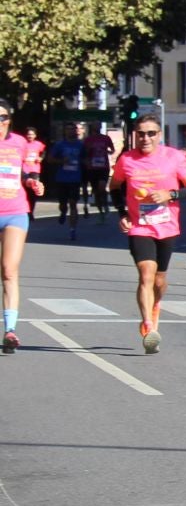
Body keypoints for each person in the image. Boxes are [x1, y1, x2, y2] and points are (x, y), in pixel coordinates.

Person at [109, 113, 186, 354]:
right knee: (145, 274)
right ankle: (149, 327)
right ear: (134, 136)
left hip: (167, 225)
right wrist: (123, 214)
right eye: (141, 134)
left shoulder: (174, 157)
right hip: (140, 226)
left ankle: (156, 305)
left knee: (159, 280)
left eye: (151, 133)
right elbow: (114, 187)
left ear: (159, 135)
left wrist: (170, 195)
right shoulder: (127, 160)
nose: (145, 138)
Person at [0, 100, 47, 354]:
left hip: (15, 213)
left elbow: (27, 173)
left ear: (9, 120)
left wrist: (33, 184)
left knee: (9, 270)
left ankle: (10, 330)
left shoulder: (19, 143)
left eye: (3, 118)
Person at [44, 123, 86, 240]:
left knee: (73, 203)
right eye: (68, 129)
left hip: (75, 178)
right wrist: (62, 160)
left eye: (73, 129)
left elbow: (84, 158)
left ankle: (72, 229)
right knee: (63, 204)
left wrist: (86, 163)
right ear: (65, 131)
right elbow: (50, 159)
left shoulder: (80, 145)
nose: (71, 131)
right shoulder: (59, 145)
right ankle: (63, 212)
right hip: (62, 178)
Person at [81, 123, 114, 220]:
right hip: (92, 168)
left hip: (103, 167)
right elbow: (84, 154)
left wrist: (106, 151)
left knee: (102, 187)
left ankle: (105, 204)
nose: (97, 127)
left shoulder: (106, 138)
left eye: (99, 125)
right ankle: (101, 211)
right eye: (96, 125)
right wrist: (87, 159)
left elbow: (112, 150)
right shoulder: (88, 140)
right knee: (96, 191)